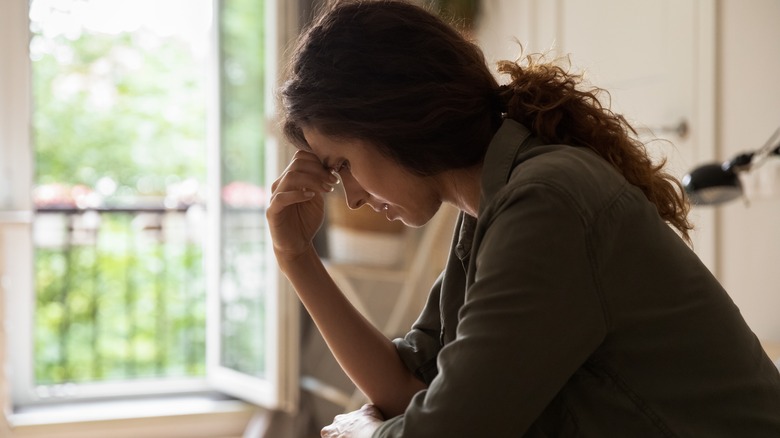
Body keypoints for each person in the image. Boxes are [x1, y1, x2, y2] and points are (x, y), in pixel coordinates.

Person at [267, 0, 780, 436]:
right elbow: (408, 384)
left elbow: (449, 429)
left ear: (390, 120)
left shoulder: (546, 202)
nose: (351, 198)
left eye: (343, 166)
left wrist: (364, 431)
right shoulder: (491, 208)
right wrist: (296, 257)